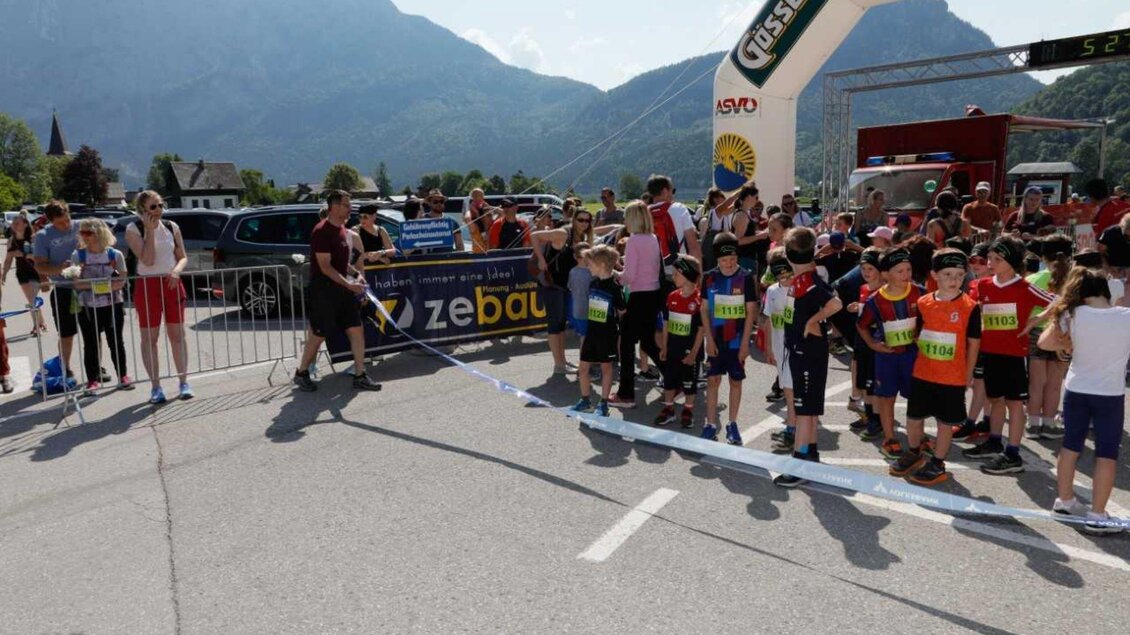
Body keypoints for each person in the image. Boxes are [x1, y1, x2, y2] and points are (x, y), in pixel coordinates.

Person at [1041, 267, 1130, 534]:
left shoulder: (1073, 314)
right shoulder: (1125, 317)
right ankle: (1097, 515)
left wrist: (1067, 345)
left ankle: (1064, 500)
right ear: (1108, 291)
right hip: (1109, 394)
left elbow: (1044, 343)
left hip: (1077, 389)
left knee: (1070, 447)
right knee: (1106, 454)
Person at [962, 235, 1054, 474]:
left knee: (1014, 404)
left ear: (1012, 262)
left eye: (997, 259)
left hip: (1014, 355)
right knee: (995, 400)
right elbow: (971, 311)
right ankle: (994, 441)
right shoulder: (982, 286)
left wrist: (1035, 321)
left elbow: (1059, 302)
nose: (991, 263)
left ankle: (1013, 453)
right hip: (990, 353)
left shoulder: (1025, 287)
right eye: (989, 258)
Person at [889, 249, 981, 485]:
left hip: (952, 376)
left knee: (945, 423)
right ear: (934, 275)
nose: (954, 280)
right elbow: (917, 333)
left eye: (960, 275)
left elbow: (973, 343)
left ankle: (938, 462)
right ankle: (914, 452)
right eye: (948, 274)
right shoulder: (923, 302)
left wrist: (968, 373)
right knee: (913, 417)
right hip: (923, 372)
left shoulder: (970, 307)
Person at [293, 190, 382, 393]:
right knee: (318, 335)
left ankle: (360, 375)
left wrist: (356, 274)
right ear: (334, 206)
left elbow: (341, 264)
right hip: (324, 291)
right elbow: (325, 267)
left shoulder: (342, 229)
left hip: (343, 291)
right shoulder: (321, 231)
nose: (350, 208)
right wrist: (349, 284)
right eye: (346, 204)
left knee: (356, 329)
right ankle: (302, 372)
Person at [774, 227, 842, 488]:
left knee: (803, 409)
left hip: (807, 351)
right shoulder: (803, 279)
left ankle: (800, 460)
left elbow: (835, 303)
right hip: (803, 350)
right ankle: (811, 452)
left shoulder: (808, 281)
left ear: (790, 255)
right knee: (809, 407)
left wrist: (814, 320)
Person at [124, 191, 193, 403]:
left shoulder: (172, 227)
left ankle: (183, 382)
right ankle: (156, 387)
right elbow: (148, 259)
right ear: (142, 211)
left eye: (160, 205)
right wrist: (150, 231)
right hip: (147, 285)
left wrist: (176, 271)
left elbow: (182, 257)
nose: (159, 210)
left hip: (171, 282)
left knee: (177, 335)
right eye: (153, 207)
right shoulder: (133, 229)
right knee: (150, 338)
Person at [856, 248, 924, 459]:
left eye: (908, 269)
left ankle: (918, 438)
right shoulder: (875, 300)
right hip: (886, 357)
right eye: (900, 271)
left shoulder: (920, 293)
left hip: (913, 357)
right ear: (886, 274)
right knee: (886, 399)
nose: (906, 275)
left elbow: (929, 319)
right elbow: (862, 325)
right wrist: (873, 345)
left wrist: (922, 336)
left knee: (916, 399)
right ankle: (889, 437)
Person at [699, 232, 759, 445]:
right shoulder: (709, 277)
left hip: (736, 340)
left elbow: (751, 312)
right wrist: (709, 340)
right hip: (716, 339)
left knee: (735, 381)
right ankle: (711, 423)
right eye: (724, 260)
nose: (729, 263)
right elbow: (704, 310)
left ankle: (732, 424)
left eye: (732, 259)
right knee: (713, 380)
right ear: (716, 259)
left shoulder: (745, 277)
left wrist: (745, 344)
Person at [607, 202, 662, 407]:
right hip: (653, 294)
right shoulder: (653, 238)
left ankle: (626, 393)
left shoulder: (633, 241)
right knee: (647, 342)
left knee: (627, 345)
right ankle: (676, 380)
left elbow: (628, 276)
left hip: (639, 297)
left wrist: (614, 274)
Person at [532, 207, 594, 375]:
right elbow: (534, 236)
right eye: (580, 220)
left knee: (560, 325)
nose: (584, 223)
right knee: (555, 324)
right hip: (551, 284)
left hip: (563, 286)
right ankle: (559, 364)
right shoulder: (563, 233)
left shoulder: (581, 237)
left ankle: (562, 362)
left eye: (587, 221)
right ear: (574, 219)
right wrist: (541, 260)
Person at [71, 218, 131, 392]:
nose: (84, 236)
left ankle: (123, 376)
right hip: (88, 307)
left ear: (99, 233)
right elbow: (76, 283)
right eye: (82, 232)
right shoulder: (78, 255)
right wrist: (101, 285)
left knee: (116, 341)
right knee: (90, 343)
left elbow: (122, 280)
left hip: (113, 304)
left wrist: (97, 285)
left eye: (88, 232)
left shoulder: (115, 254)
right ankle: (92, 380)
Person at [1023, 234, 1073, 441]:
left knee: (1036, 382)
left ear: (1042, 256)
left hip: (1037, 332)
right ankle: (1049, 423)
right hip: (1063, 333)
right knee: (1054, 383)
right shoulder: (1075, 279)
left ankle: (1033, 424)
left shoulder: (1033, 279)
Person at [570, 245, 625, 418]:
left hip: (607, 334)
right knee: (583, 367)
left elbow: (622, 310)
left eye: (590, 264)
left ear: (601, 264)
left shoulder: (615, 288)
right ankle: (585, 400)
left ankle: (603, 404)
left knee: (606, 369)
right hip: (591, 332)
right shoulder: (593, 283)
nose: (588, 267)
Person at [655, 255, 705, 429]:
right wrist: (664, 345)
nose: (673, 277)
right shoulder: (671, 296)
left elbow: (701, 329)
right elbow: (667, 323)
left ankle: (688, 410)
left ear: (688, 275)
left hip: (690, 350)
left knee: (689, 382)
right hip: (673, 348)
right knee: (669, 380)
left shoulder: (699, 300)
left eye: (677, 274)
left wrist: (693, 353)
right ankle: (669, 409)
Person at [32, 200, 80, 378]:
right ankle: (64, 367)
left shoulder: (81, 227)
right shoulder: (43, 236)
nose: (66, 225)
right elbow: (40, 266)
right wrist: (60, 268)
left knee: (93, 330)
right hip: (63, 288)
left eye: (67, 219)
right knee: (67, 333)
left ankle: (95, 368)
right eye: (60, 223)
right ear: (50, 220)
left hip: (86, 287)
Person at [954, 242, 994, 441]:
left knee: (979, 384)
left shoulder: (993, 284)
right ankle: (986, 420)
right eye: (972, 260)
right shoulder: (972, 284)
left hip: (987, 342)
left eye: (981, 261)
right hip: (975, 339)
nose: (976, 265)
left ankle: (970, 423)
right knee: (982, 385)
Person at [761, 250, 798, 451]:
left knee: (792, 390)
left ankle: (793, 428)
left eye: (788, 275)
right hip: (778, 345)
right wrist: (768, 348)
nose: (785, 279)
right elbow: (767, 320)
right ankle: (793, 425)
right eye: (781, 276)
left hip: (795, 347)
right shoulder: (772, 292)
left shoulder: (798, 291)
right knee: (786, 387)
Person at [2, 213, 48, 335]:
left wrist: (24, 254)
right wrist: (4, 274)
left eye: (17, 223)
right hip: (21, 272)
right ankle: (41, 322)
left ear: (25, 224)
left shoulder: (33, 238)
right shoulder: (12, 240)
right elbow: (8, 260)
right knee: (31, 299)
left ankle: (36, 326)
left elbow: (40, 257)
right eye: (13, 223)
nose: (14, 225)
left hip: (35, 271)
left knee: (32, 300)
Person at [646, 174, 702, 269]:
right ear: (665, 191)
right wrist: (698, 273)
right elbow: (693, 245)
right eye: (673, 190)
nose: (673, 194)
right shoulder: (679, 208)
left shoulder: (644, 213)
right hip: (679, 270)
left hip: (653, 272)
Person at [698, 185, 744, 272]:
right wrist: (741, 191)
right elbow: (729, 202)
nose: (724, 198)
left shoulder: (722, 212)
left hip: (720, 247)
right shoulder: (716, 211)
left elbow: (732, 207)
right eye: (722, 196)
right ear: (715, 199)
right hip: (714, 249)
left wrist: (741, 200)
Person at [732, 185, 769, 275]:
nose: (757, 200)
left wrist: (759, 233)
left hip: (748, 257)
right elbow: (738, 240)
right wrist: (759, 236)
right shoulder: (742, 215)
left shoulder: (744, 213)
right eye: (756, 197)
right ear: (749, 197)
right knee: (746, 286)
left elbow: (747, 233)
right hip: (744, 258)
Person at [567, 243, 593, 345]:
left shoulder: (572, 271)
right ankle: (585, 360)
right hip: (588, 309)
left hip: (577, 310)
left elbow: (570, 288)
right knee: (586, 337)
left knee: (584, 336)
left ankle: (586, 359)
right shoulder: (592, 273)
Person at [465, 188, 493, 254]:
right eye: (475, 196)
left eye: (490, 215)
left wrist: (490, 207)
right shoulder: (475, 227)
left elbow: (502, 213)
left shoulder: (493, 226)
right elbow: (467, 218)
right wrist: (471, 210)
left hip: (492, 258)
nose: (478, 197)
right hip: (478, 257)